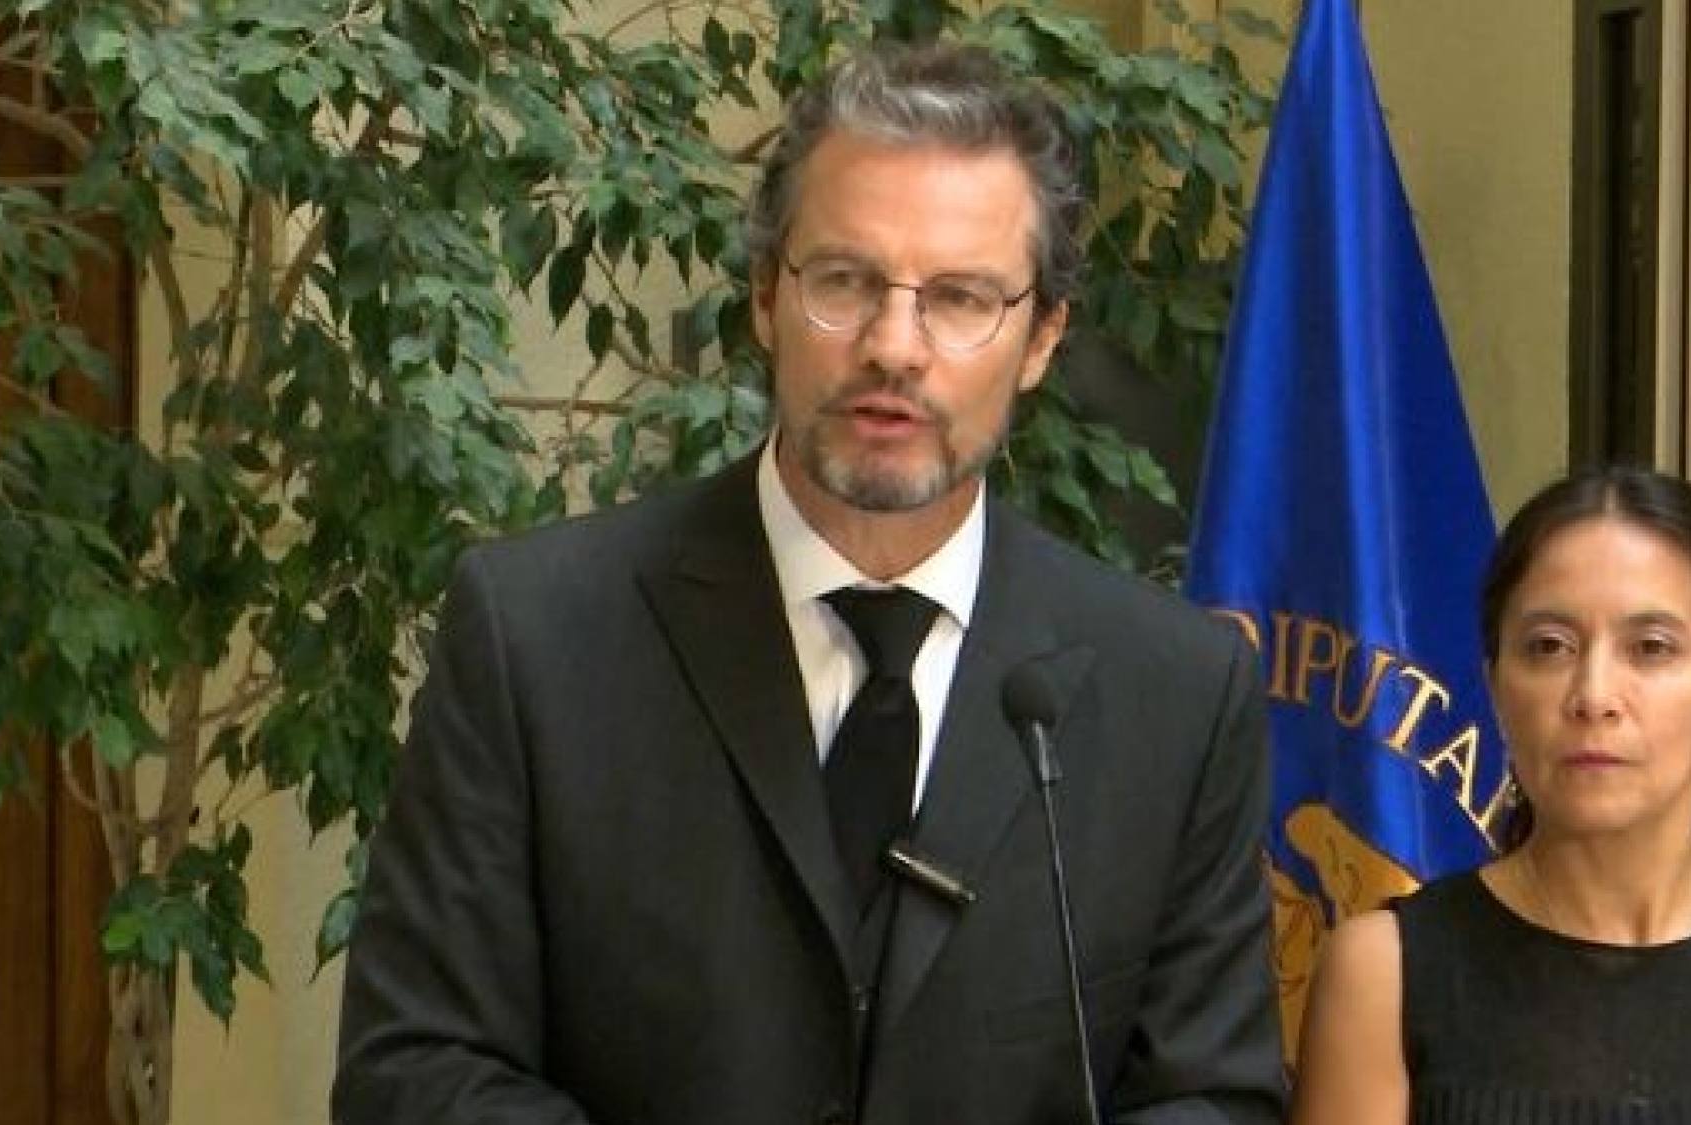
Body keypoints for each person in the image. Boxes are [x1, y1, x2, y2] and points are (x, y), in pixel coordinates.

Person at [333, 40, 1283, 1125]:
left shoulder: (1177, 694)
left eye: (961, 298)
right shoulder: (535, 638)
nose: (894, 346)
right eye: (845, 281)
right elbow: (415, 1071)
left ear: (1041, 339)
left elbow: (1212, 1100)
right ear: (763, 297)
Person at [1291, 465, 1691, 1124]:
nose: (1593, 695)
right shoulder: (1386, 972)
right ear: (1496, 688)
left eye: (1650, 647)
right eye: (1550, 647)